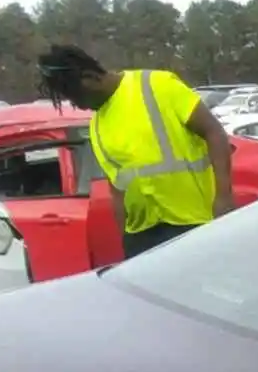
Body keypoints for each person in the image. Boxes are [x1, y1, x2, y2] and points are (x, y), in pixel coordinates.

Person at [34, 45, 234, 257]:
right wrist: (126, 242)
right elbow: (117, 189)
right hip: (142, 237)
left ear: (90, 77)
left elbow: (214, 132)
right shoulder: (96, 126)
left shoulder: (157, 85)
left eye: (77, 97)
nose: (79, 106)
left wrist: (224, 197)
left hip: (194, 222)